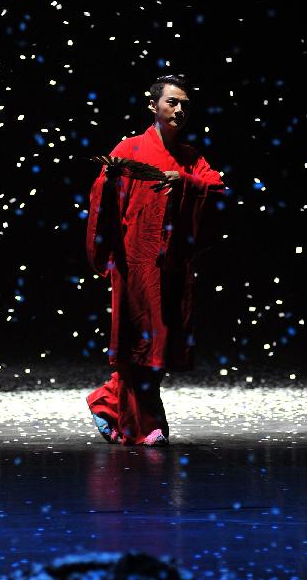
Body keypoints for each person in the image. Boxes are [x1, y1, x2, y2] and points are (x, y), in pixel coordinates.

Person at [85, 74, 225, 446]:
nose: (179, 110)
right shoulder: (129, 149)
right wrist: (109, 183)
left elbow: (215, 188)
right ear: (154, 106)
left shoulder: (190, 157)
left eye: (185, 105)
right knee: (138, 344)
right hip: (134, 263)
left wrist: (183, 182)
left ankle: (106, 403)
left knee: (157, 345)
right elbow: (103, 198)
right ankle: (145, 425)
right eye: (172, 102)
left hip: (171, 266)